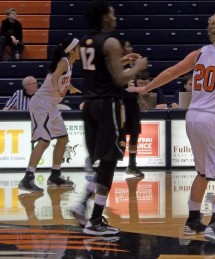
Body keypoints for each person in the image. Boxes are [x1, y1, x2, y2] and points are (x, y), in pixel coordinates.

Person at [127, 12, 215, 246]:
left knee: (203, 172)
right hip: (214, 119)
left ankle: (193, 220)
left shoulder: (199, 53)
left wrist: (146, 88)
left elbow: (172, 72)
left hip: (193, 116)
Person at [72, 0, 147, 236]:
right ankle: (93, 217)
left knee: (104, 160)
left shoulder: (86, 41)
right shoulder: (112, 42)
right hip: (109, 105)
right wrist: (138, 66)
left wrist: (122, 62)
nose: (115, 18)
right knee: (110, 160)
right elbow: (120, 80)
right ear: (105, 17)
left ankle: (86, 206)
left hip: (91, 103)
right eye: (113, 14)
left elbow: (101, 69)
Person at [18, 37, 82, 193]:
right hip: (41, 104)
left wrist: (71, 87)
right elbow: (54, 78)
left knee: (63, 139)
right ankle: (27, 178)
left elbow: (62, 78)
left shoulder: (69, 64)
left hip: (51, 106)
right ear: (72, 50)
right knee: (44, 141)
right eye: (78, 47)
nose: (80, 50)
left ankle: (55, 175)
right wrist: (57, 90)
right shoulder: (64, 62)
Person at [120, 39, 145, 177]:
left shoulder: (130, 65)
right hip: (122, 104)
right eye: (128, 45)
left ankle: (132, 165)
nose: (131, 48)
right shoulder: (117, 65)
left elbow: (132, 84)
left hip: (132, 104)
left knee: (135, 134)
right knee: (120, 135)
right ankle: (105, 164)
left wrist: (140, 98)